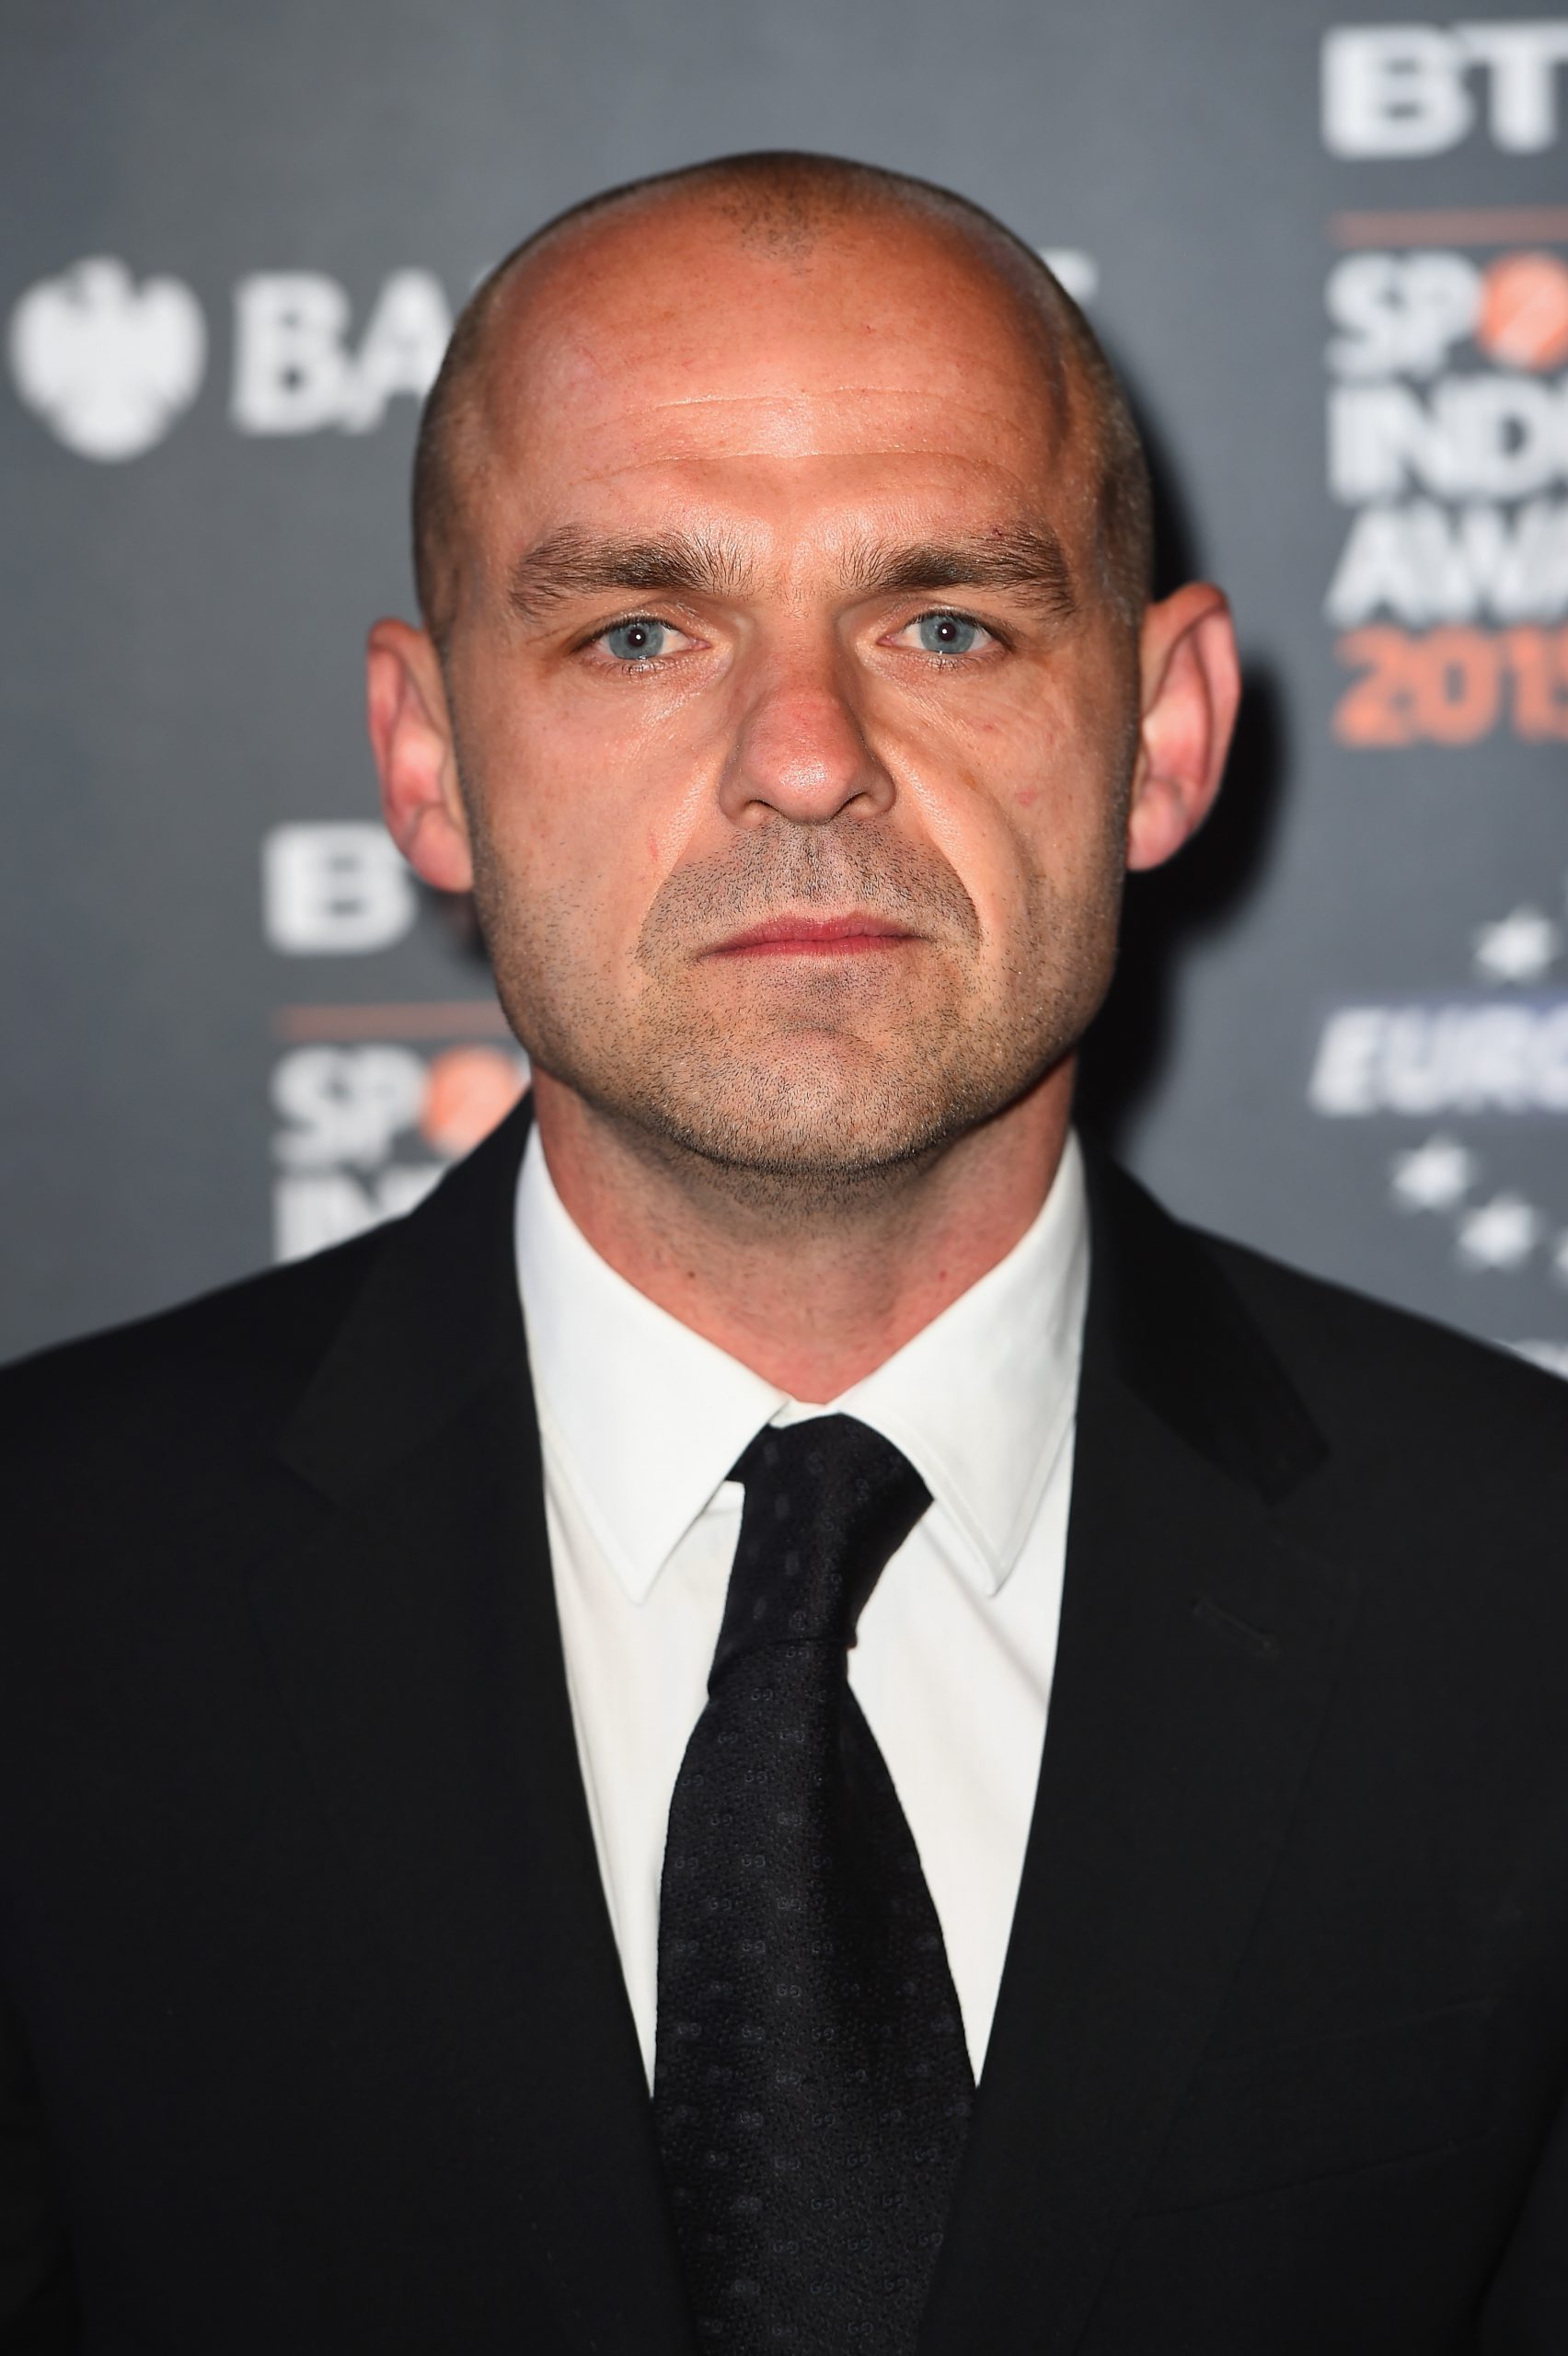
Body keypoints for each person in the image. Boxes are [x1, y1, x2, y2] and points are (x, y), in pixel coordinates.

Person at [3, 150, 1566, 2356]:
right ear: (429, 761)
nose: (808, 759)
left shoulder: (1525, 1596)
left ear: (1164, 731)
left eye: (947, 622)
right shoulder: (43, 1595)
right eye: (640, 630)